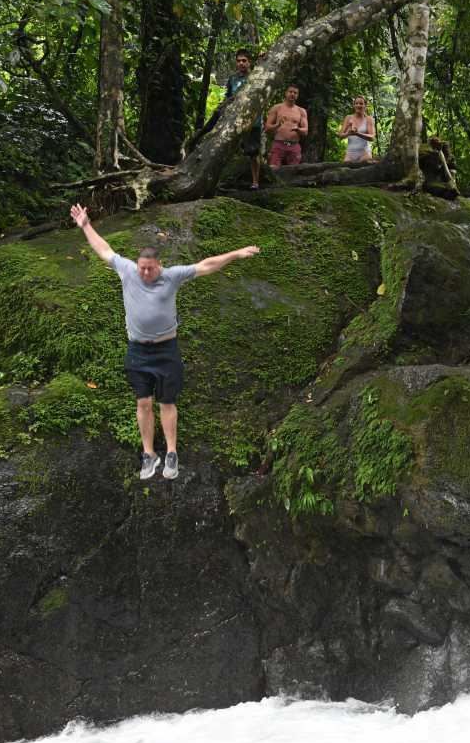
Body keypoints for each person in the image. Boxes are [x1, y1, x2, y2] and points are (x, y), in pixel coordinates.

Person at [68, 203, 260, 480]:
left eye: (150, 269)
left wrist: (236, 254)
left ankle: (171, 452)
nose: (145, 273)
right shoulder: (128, 271)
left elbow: (206, 265)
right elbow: (104, 250)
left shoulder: (172, 276)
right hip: (137, 351)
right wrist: (86, 225)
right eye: (142, 268)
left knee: (167, 403)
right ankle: (149, 454)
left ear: (160, 265)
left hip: (166, 350)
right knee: (143, 403)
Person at [220, 49, 265, 190]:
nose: (241, 63)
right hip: (234, 121)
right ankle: (224, 180)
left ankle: (255, 182)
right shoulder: (233, 79)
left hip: (253, 122)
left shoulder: (255, 76)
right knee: (228, 150)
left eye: (244, 60)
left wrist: (262, 60)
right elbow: (228, 97)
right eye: (239, 61)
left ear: (249, 62)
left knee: (253, 152)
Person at [266, 85, 309, 168]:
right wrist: (277, 125)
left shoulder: (301, 111)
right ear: (286, 93)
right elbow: (267, 128)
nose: (292, 94)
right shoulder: (276, 108)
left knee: (293, 171)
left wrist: (298, 129)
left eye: (295, 93)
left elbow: (305, 131)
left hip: (294, 146)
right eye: (290, 92)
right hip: (278, 144)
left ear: (297, 95)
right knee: (273, 170)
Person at [338, 96, 377, 162]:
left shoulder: (369, 119)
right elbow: (340, 136)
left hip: (364, 153)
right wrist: (348, 133)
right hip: (350, 153)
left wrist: (357, 134)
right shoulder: (348, 118)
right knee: (345, 167)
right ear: (354, 105)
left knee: (364, 166)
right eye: (356, 103)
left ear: (365, 106)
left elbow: (372, 137)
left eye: (361, 103)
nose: (358, 105)